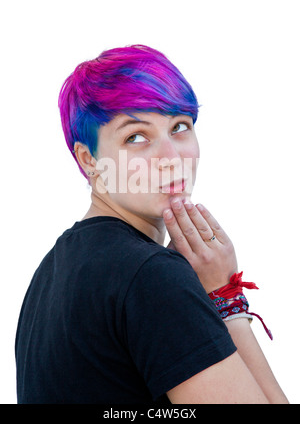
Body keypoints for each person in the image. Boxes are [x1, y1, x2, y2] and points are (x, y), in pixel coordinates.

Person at [15, 45, 288, 404]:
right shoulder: (152, 276)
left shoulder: (47, 276)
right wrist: (225, 297)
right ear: (88, 159)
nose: (172, 158)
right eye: (136, 137)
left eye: (179, 127)